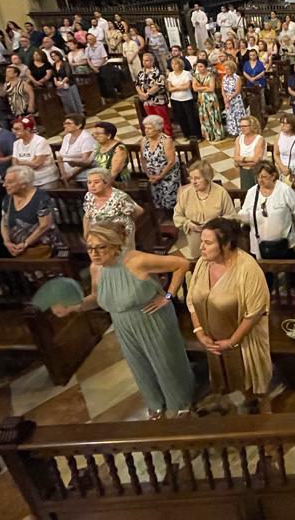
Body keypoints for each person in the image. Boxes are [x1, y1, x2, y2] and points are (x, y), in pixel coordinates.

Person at [55, 224, 194, 419]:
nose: (94, 253)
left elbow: (181, 264)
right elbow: (96, 298)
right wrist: (73, 307)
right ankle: (156, 402)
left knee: (166, 362)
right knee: (140, 365)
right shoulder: (96, 269)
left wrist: (168, 296)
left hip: (152, 319)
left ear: (114, 246)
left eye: (101, 247)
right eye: (90, 248)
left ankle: (181, 403)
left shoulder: (136, 260)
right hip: (123, 325)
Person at [186, 219, 272, 414]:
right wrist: (200, 333)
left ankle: (264, 412)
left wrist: (232, 341)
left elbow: (254, 313)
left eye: (208, 243)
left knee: (254, 382)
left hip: (244, 341)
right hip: (213, 340)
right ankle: (232, 402)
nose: (201, 247)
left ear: (225, 245)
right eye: (201, 241)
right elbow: (192, 300)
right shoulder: (202, 263)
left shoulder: (247, 269)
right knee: (225, 379)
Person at [173, 160, 236, 257]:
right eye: (191, 178)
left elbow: (232, 217)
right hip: (195, 240)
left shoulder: (220, 193)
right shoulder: (187, 193)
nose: (193, 182)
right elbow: (177, 216)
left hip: (216, 242)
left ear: (207, 178)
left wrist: (216, 224)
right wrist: (188, 223)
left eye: (197, 178)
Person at [239, 161, 295, 259]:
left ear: (273, 176)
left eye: (264, 177)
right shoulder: (252, 192)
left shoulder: (285, 191)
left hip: (284, 243)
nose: (260, 180)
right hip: (259, 244)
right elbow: (244, 214)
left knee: (289, 271)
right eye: (258, 177)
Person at [0, 166, 61, 257]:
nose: (4, 185)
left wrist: (25, 244)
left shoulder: (41, 199)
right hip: (15, 248)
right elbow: (4, 221)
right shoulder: (8, 198)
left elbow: (45, 226)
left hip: (41, 248)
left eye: (10, 182)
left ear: (24, 183)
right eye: (5, 181)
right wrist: (7, 242)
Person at [82, 168, 143, 245]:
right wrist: (86, 235)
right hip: (99, 237)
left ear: (106, 183)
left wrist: (123, 226)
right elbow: (87, 215)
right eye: (89, 182)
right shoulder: (89, 196)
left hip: (119, 237)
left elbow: (139, 211)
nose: (92, 185)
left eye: (96, 182)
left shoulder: (119, 197)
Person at [140, 115, 180, 211]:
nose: (146, 130)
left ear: (158, 129)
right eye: (145, 128)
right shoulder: (144, 140)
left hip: (168, 174)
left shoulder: (166, 140)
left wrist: (160, 176)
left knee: (169, 198)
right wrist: (148, 174)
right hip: (152, 175)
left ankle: (172, 214)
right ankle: (161, 214)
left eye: (150, 128)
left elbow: (171, 161)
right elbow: (143, 159)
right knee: (155, 196)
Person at [10, 116, 59, 186]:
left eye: (17, 129)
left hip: (45, 179)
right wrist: (28, 162)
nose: (14, 132)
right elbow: (14, 165)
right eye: (13, 129)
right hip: (27, 179)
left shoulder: (40, 141)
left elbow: (36, 164)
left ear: (27, 129)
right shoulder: (16, 143)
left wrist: (22, 162)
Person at [135, 52, 172, 136]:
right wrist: (141, 94)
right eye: (143, 60)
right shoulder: (141, 72)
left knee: (162, 119)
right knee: (152, 120)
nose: (144, 62)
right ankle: (157, 136)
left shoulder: (157, 71)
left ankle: (167, 136)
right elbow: (137, 84)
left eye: (147, 60)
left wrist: (147, 94)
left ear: (152, 61)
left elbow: (158, 85)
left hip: (158, 100)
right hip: (147, 101)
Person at [166, 56, 201, 141]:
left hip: (186, 99)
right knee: (181, 118)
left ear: (180, 64)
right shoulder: (171, 74)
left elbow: (187, 86)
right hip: (175, 99)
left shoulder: (186, 73)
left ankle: (196, 135)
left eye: (176, 64)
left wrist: (175, 87)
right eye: (172, 64)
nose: (174, 66)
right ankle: (187, 134)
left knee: (191, 117)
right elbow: (169, 88)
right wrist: (179, 86)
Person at [191, 59, 225, 141]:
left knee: (213, 116)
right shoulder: (195, 76)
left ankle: (218, 134)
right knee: (204, 117)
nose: (199, 68)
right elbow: (195, 89)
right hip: (201, 99)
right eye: (198, 67)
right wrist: (205, 87)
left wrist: (200, 88)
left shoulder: (211, 75)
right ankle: (209, 135)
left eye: (201, 66)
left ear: (206, 67)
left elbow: (211, 88)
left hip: (211, 98)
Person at [57, 113, 96, 182]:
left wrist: (71, 174)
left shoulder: (86, 138)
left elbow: (85, 162)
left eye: (68, 123)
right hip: (65, 173)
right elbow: (60, 156)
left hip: (80, 173)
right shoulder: (67, 137)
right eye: (64, 123)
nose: (65, 126)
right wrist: (63, 173)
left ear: (79, 126)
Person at [232, 115, 265, 193]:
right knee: (246, 194)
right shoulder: (238, 139)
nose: (242, 128)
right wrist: (249, 160)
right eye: (240, 126)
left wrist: (241, 161)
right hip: (244, 173)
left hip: (257, 172)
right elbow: (235, 160)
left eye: (245, 126)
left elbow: (256, 161)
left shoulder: (259, 139)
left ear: (252, 126)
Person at [273, 112, 295, 189]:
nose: (282, 126)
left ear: (292, 125)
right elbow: (276, 154)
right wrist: (282, 167)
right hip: (283, 169)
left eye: (286, 123)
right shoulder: (278, 137)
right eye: (281, 123)